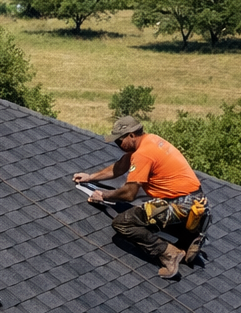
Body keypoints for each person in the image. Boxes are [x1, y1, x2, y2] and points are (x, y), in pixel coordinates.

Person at [73, 115, 211, 279]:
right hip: (199, 204)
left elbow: (129, 193)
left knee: (123, 222)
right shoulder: (151, 140)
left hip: (178, 204)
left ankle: (168, 254)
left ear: (131, 135)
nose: (118, 145)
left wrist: (103, 195)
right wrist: (90, 177)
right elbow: (121, 166)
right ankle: (190, 238)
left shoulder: (143, 154)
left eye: (119, 141)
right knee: (156, 213)